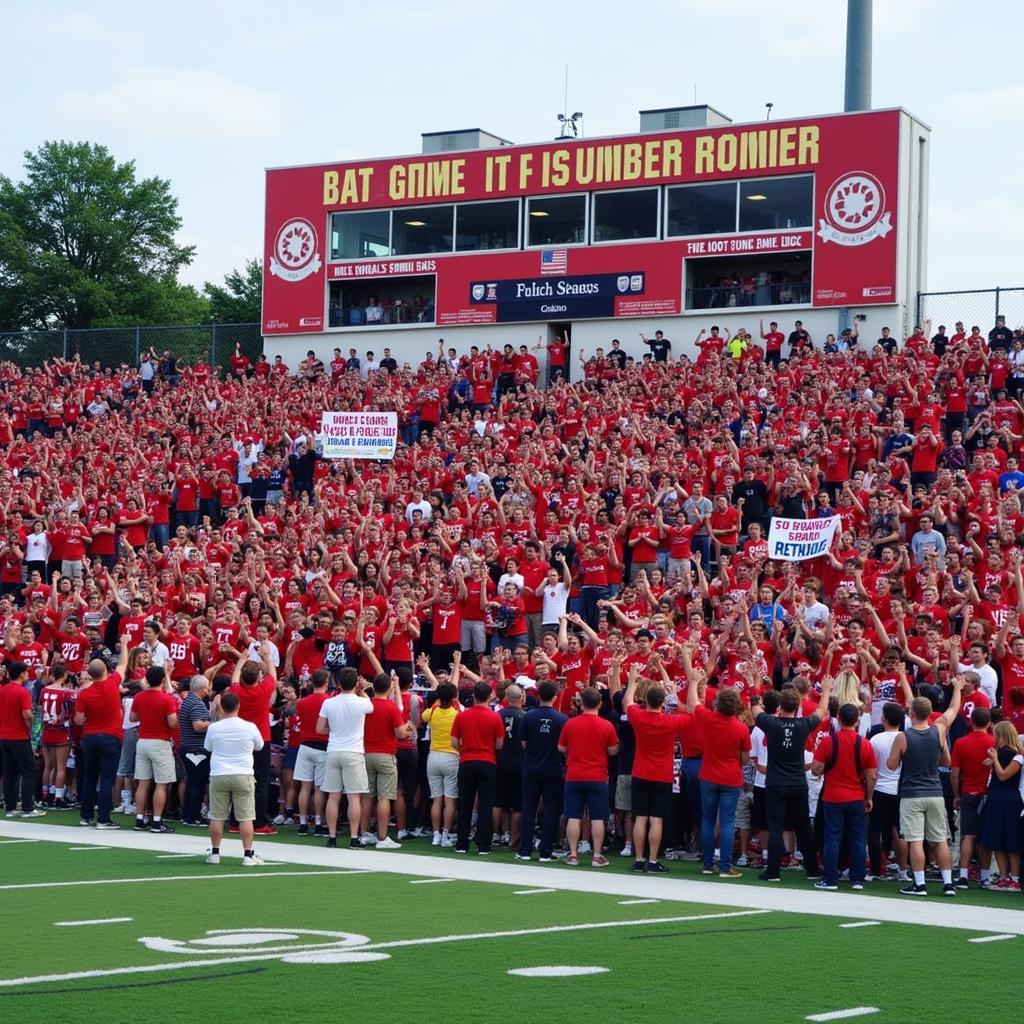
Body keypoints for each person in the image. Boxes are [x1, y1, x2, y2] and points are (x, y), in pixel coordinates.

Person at [886, 675, 963, 896]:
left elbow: (891, 765)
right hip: (935, 792)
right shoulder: (938, 730)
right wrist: (957, 687)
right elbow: (953, 710)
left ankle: (919, 884)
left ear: (910, 714)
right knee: (940, 840)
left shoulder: (903, 736)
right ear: (930, 714)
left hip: (911, 793)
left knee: (915, 841)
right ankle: (948, 883)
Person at [754, 678, 831, 882]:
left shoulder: (771, 723)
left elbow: (754, 708)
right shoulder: (803, 724)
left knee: (776, 827)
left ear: (779, 707)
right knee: (803, 827)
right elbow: (821, 711)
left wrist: (754, 683)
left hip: (775, 783)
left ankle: (773, 871)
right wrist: (825, 691)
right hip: (797, 783)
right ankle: (812, 869)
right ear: (797, 707)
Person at [619, 662, 692, 874]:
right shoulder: (670, 722)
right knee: (656, 819)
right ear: (662, 703)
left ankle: (639, 858)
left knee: (640, 817)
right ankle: (652, 861)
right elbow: (690, 713)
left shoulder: (639, 717)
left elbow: (627, 702)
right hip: (662, 774)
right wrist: (674, 697)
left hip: (640, 772)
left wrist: (632, 680)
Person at [811, 703, 877, 891]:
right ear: (857, 721)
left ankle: (831, 879)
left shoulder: (829, 741)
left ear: (838, 718)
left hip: (833, 796)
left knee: (832, 838)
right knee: (858, 838)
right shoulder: (864, 743)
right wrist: (869, 797)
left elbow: (816, 769)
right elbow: (872, 775)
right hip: (856, 796)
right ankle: (857, 878)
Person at [558, 686, 619, 867]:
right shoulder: (606, 725)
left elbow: (561, 747)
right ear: (600, 704)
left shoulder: (571, 723)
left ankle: (574, 854)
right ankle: (597, 855)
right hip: (597, 775)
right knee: (598, 817)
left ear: (581, 704)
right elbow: (613, 750)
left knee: (574, 815)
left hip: (574, 774)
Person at [204, 691, 265, 866]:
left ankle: (215, 852)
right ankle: (248, 854)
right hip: (242, 773)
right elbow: (260, 746)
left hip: (219, 774)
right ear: (238, 706)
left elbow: (208, 747)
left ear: (222, 707)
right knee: (246, 816)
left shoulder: (214, 727)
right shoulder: (249, 726)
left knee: (217, 816)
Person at [317, 666, 373, 849]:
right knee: (354, 797)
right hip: (354, 751)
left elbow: (319, 729)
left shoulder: (329, 703)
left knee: (333, 796)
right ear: (356, 683)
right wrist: (362, 690)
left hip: (334, 750)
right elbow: (370, 707)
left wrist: (332, 730)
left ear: (338, 683)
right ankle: (354, 837)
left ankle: (332, 837)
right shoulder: (361, 702)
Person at [74, 644, 130, 829]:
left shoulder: (84, 693)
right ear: (106, 670)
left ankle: (86, 816)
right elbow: (123, 664)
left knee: (89, 777)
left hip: (90, 737)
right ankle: (104, 819)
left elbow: (79, 720)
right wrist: (124, 644)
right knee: (106, 779)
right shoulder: (112, 683)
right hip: (110, 736)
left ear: (89, 674)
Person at [516, 679, 567, 862]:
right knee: (551, 810)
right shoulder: (562, 719)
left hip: (531, 767)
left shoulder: (528, 716)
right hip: (552, 768)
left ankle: (524, 850)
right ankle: (545, 851)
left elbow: (523, 743)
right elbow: (564, 747)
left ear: (538, 695)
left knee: (529, 809)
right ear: (555, 696)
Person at [451, 680, 504, 855]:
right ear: (490, 696)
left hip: (467, 761)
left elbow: (454, 741)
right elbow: (499, 744)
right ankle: (484, 845)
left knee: (465, 804)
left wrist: (465, 749)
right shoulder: (494, 717)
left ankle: (462, 843)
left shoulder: (463, 715)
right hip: (487, 762)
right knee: (486, 804)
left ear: (474, 695)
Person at [130, 666, 179, 834]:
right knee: (161, 784)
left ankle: (139, 818)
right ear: (163, 680)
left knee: (143, 783)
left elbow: (133, 718)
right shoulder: (166, 699)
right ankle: (157, 821)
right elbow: (172, 722)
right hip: (160, 741)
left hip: (143, 740)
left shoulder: (139, 696)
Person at [950, 705, 994, 888]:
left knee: (968, 835)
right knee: (985, 837)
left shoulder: (961, 743)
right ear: (990, 723)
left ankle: (963, 875)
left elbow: (954, 774)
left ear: (971, 721)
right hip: (987, 794)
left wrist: (956, 795)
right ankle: (985, 876)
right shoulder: (994, 741)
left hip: (968, 792)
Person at [977, 721, 1024, 891]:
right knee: (995, 838)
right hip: (996, 798)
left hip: (1009, 799)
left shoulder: (1018, 756)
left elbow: (1004, 775)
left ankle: (1015, 878)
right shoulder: (1000, 753)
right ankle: (1003, 877)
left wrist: (995, 760)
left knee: (1011, 838)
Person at [0, 661, 44, 818]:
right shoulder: (22, 692)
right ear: (21, 674)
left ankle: (10, 807)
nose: (28, 674)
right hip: (18, 736)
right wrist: (30, 729)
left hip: (4, 736)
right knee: (29, 771)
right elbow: (27, 715)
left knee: (9, 772)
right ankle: (27, 807)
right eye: (26, 672)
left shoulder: (3, 690)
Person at [178, 675, 212, 827]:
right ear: (203, 688)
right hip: (196, 749)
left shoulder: (188, 701)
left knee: (192, 782)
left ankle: (188, 815)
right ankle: (194, 816)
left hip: (189, 746)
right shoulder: (196, 704)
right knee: (198, 783)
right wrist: (213, 724)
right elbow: (198, 726)